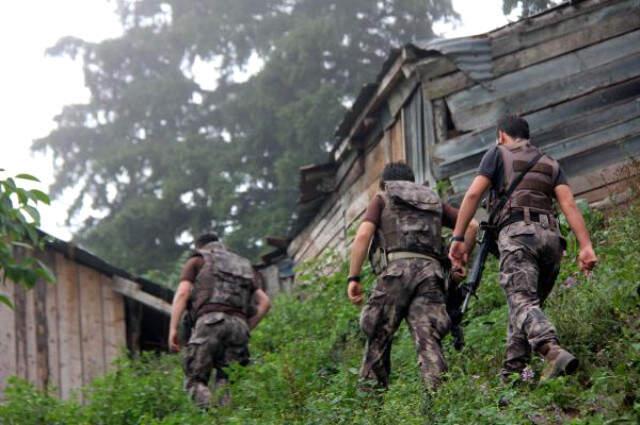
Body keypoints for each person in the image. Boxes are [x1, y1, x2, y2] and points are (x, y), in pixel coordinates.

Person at [448, 115, 598, 381]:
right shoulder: (550, 163)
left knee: (523, 303)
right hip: (552, 241)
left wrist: (458, 238)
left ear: (502, 135)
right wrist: (585, 246)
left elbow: (473, 195)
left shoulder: (497, 153)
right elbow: (569, 205)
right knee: (524, 306)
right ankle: (513, 377)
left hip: (519, 236)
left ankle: (550, 349)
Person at [347, 162, 478, 391]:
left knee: (378, 334)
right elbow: (472, 226)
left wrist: (353, 278)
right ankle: (438, 401)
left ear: (385, 182)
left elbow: (363, 236)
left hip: (395, 273)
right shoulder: (433, 199)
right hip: (431, 275)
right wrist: (459, 260)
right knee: (429, 339)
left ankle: (370, 402)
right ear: (412, 180)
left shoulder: (382, 197)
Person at [168, 232, 271, 408]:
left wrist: (173, 329)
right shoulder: (244, 265)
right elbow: (265, 303)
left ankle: (215, 415)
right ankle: (226, 416)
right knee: (227, 381)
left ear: (199, 246)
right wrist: (246, 326)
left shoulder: (198, 260)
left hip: (209, 322)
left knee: (194, 380)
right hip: (239, 328)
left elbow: (183, 293)